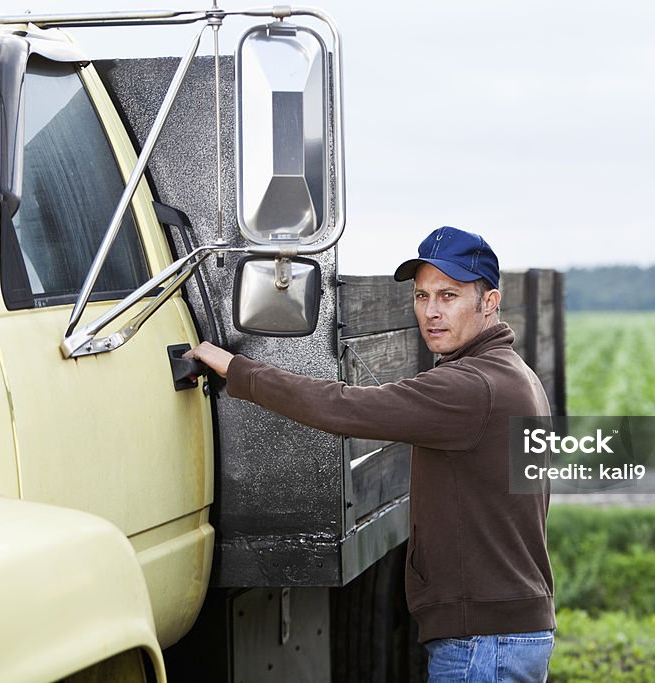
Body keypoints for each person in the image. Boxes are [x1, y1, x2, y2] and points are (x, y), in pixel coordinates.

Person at [188, 226, 555, 681]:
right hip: (500, 631)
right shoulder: (512, 374)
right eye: (422, 297)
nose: (431, 313)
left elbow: (343, 406)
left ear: (489, 302)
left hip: (483, 642)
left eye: (449, 296)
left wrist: (238, 369)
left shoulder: (470, 387)